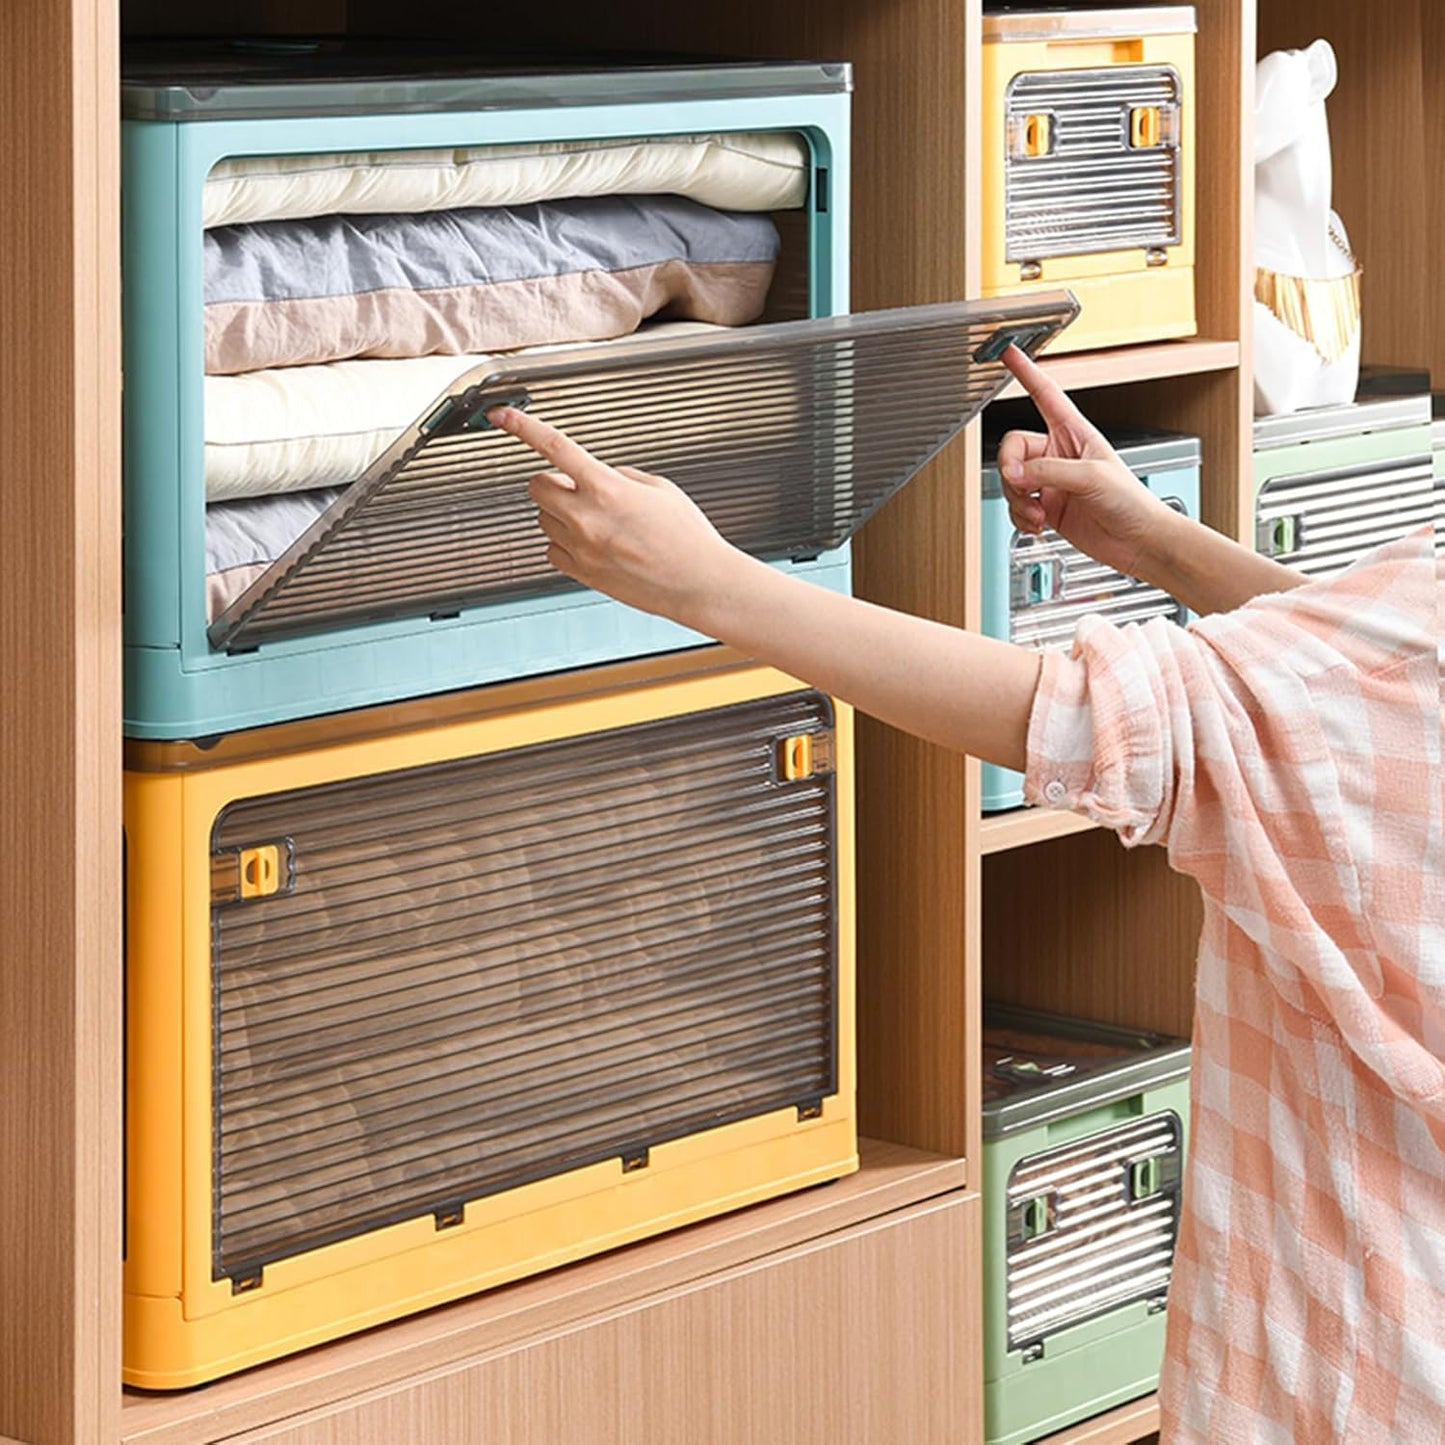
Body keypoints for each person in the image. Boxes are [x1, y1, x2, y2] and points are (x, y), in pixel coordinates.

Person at [488, 347, 1443, 1443]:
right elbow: (1369, 678)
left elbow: (1083, 721)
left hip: (1353, 1367)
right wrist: (1159, 543)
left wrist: (709, 583)